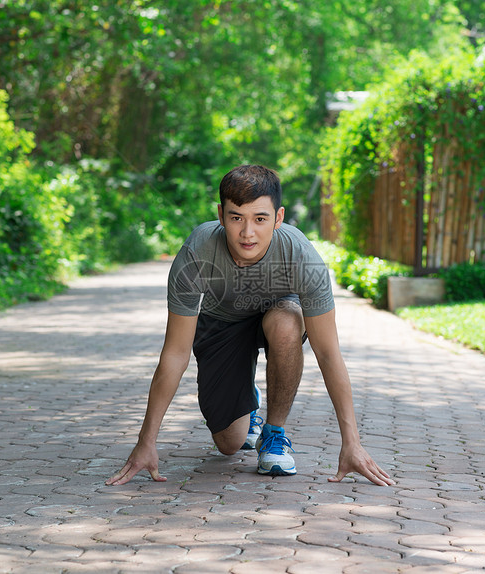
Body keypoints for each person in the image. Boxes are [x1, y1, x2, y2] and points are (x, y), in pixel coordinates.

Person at [106, 164, 394, 487]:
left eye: (260, 219)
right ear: (220, 215)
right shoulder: (196, 253)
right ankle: (248, 399)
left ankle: (274, 434)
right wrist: (147, 440)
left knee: (286, 324)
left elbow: (327, 352)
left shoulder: (301, 257)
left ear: (279, 218)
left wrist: (351, 442)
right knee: (229, 444)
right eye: (236, 218)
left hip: (277, 312)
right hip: (222, 322)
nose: (247, 233)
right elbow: (174, 354)